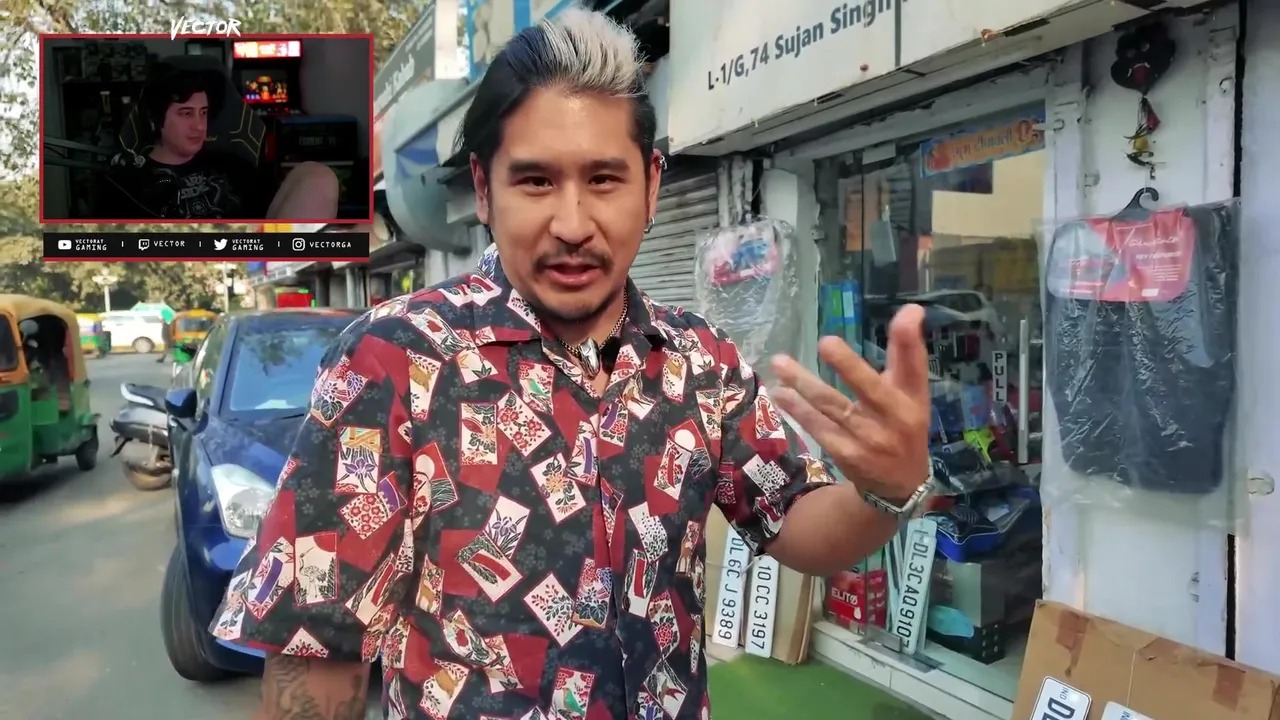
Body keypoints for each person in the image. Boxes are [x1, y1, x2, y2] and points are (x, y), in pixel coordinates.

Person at [211, 9, 935, 720]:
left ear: (652, 186)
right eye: (535, 181)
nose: (572, 224)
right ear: (483, 188)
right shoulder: (398, 358)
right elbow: (319, 645)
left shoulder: (699, 360)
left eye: (605, 179)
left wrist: (888, 490)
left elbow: (793, 520)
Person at [98, 64, 340, 221]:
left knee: (317, 175)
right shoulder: (126, 183)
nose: (199, 125)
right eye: (186, 113)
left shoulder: (233, 165)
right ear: (155, 120)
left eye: (203, 113)